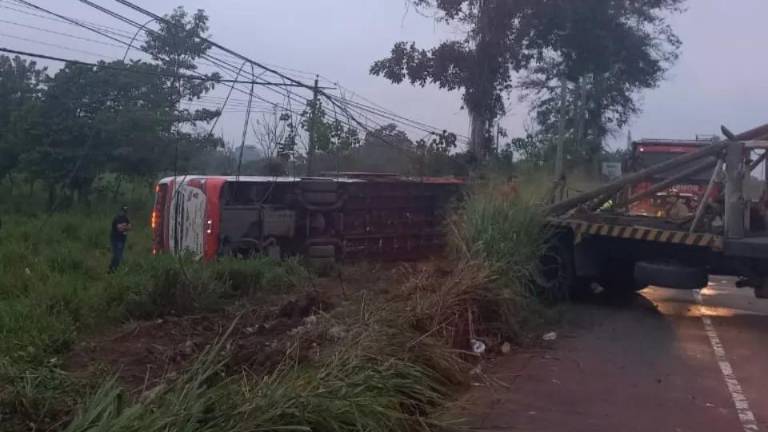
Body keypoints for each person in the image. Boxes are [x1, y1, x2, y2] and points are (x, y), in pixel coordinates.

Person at [109, 205, 132, 273]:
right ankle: (117, 269)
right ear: (120, 211)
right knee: (118, 255)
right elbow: (119, 229)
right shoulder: (117, 218)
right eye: (123, 211)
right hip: (115, 239)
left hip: (122, 239)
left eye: (125, 211)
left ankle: (112, 269)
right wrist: (125, 227)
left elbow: (130, 227)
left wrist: (124, 227)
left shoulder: (125, 218)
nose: (124, 213)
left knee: (118, 255)